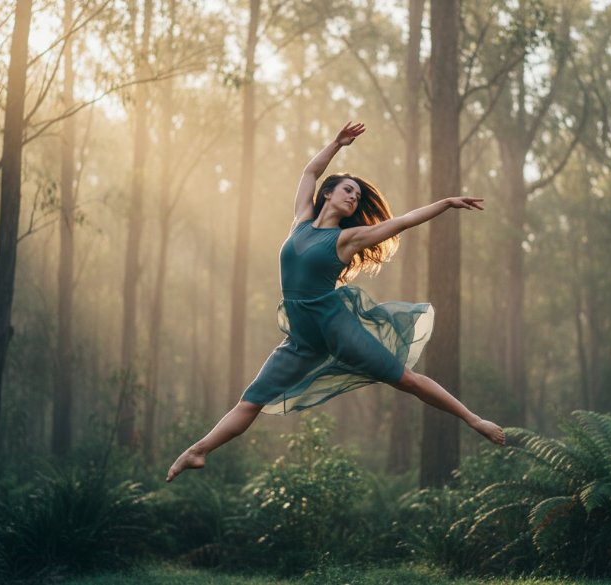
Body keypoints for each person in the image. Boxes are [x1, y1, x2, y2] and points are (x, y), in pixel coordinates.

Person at [167, 121, 504, 482]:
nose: (353, 197)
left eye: (356, 196)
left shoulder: (347, 239)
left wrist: (446, 203)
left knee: (405, 379)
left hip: (335, 327)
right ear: (327, 194)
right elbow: (310, 172)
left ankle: (475, 420)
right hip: (302, 340)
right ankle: (197, 451)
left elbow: (404, 221)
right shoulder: (301, 220)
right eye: (347, 190)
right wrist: (337, 144)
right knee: (251, 400)